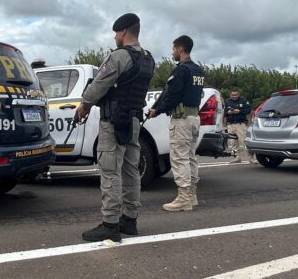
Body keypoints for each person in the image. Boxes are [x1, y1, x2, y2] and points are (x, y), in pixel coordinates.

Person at [75, 13, 155, 242]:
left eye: (115, 33)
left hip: (113, 121)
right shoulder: (149, 58)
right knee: (131, 171)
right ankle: (129, 220)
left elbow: (100, 83)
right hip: (134, 121)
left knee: (110, 171)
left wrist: (84, 105)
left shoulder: (118, 56)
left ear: (123, 32)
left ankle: (110, 224)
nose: (114, 37)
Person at [148, 35, 204, 211]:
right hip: (194, 118)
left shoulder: (181, 70)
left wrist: (157, 110)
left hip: (181, 120)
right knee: (190, 157)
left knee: (179, 158)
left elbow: (172, 95)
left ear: (180, 49)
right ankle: (192, 195)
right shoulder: (198, 70)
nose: (172, 52)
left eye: (173, 49)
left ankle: (183, 198)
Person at [224, 88, 254, 163]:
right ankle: (236, 157)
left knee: (245, 142)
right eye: (233, 95)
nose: (234, 96)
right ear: (230, 95)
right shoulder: (227, 101)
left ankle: (251, 158)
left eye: (236, 94)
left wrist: (239, 111)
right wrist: (228, 112)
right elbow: (223, 112)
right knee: (233, 143)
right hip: (230, 125)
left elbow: (248, 110)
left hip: (240, 124)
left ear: (239, 94)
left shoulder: (243, 100)